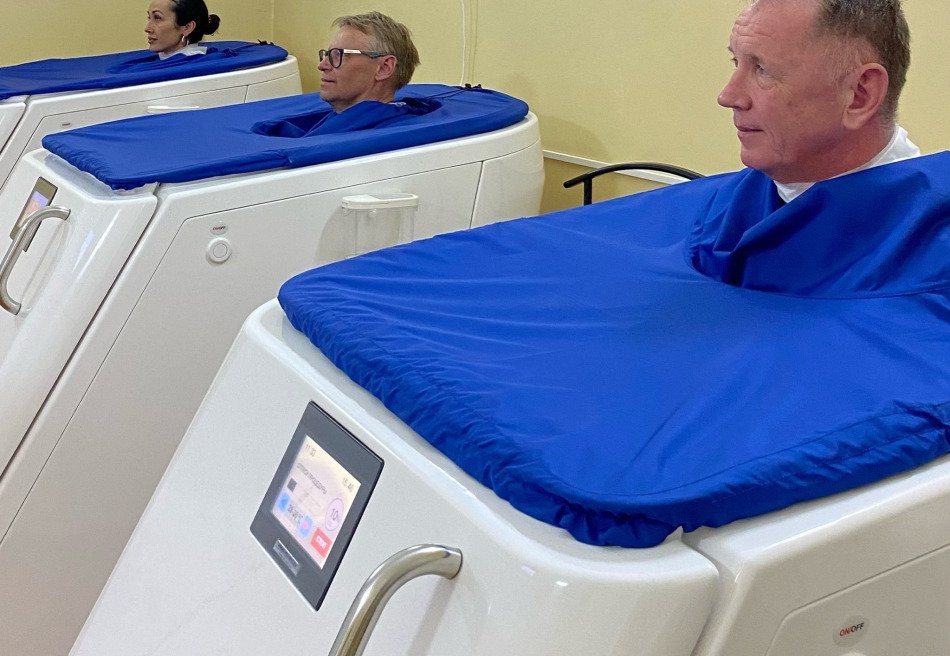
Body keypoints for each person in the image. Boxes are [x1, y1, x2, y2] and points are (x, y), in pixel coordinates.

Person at [717, 0, 917, 202]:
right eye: (736, 62)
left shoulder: (924, 219)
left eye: (762, 69)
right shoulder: (708, 204)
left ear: (859, 95)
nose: (727, 97)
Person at [317, 12, 421, 113]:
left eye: (339, 54)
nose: (321, 65)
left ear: (384, 68)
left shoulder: (392, 125)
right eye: (328, 54)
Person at [145, 0, 221, 60]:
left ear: (187, 28)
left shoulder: (195, 70)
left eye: (157, 18)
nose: (147, 29)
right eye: (149, 17)